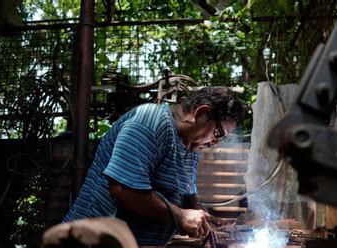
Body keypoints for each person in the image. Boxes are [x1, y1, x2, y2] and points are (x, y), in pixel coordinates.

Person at [63, 86, 244, 246]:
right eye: (218, 133)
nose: (215, 143)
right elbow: (121, 188)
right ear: (201, 113)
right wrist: (180, 216)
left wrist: (201, 215)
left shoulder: (190, 148)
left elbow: (185, 198)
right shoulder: (150, 122)